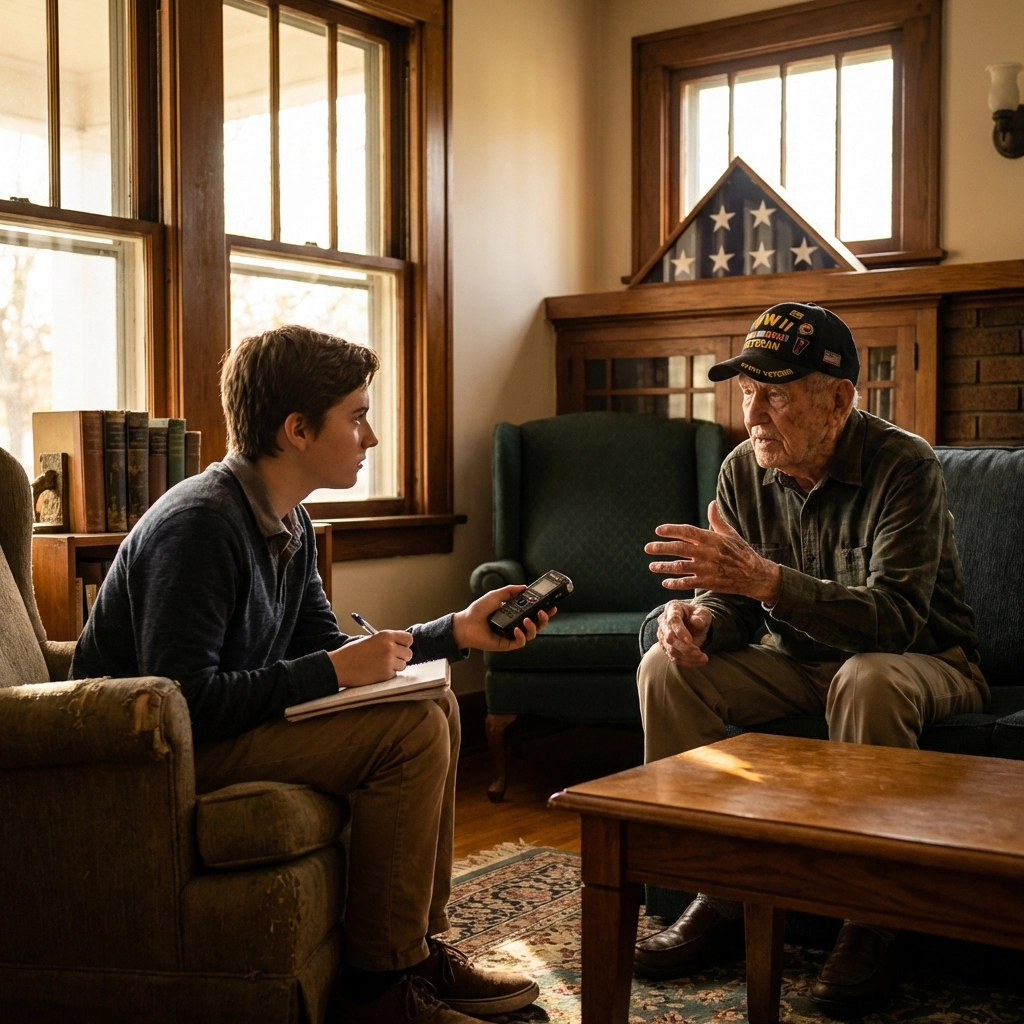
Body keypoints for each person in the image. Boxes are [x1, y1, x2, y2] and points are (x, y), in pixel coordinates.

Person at [73, 326, 552, 1024]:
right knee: (411, 730)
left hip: (218, 728)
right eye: (356, 417)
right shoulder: (200, 524)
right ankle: (376, 991)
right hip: (151, 756)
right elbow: (181, 702)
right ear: (296, 429)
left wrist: (453, 632)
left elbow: (328, 649)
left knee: (437, 706)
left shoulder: (287, 519)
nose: (371, 437)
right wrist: (329, 671)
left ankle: (413, 952)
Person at [632, 301, 987, 1016]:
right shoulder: (741, 471)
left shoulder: (903, 466)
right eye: (748, 392)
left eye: (777, 394)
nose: (755, 413)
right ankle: (717, 892)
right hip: (798, 664)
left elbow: (895, 620)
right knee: (666, 671)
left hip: (923, 661)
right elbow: (734, 602)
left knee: (866, 678)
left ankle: (871, 917)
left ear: (839, 400)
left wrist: (767, 582)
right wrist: (700, 619)